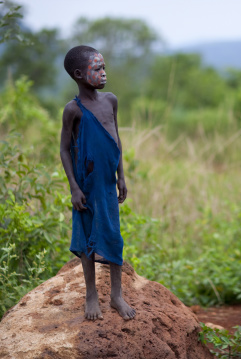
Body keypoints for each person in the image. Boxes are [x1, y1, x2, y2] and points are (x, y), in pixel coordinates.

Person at [60, 45, 135, 320]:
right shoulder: (73, 110)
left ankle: (116, 295)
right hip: (87, 186)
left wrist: (121, 176)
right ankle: (91, 294)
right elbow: (64, 149)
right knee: (88, 238)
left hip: (107, 184)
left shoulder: (111, 100)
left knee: (113, 237)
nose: (104, 73)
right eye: (97, 69)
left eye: (104, 67)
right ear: (79, 74)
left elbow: (116, 139)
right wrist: (74, 188)